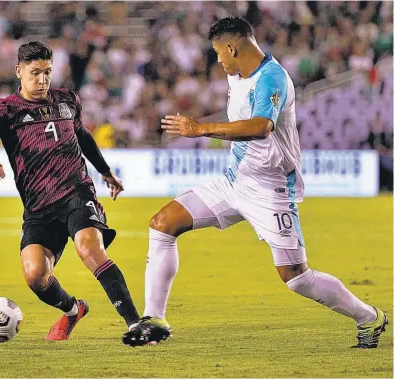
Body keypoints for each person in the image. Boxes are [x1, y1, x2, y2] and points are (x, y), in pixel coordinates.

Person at [122, 17, 388, 348]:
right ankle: (154, 319)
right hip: (234, 182)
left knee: (297, 278)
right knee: (163, 223)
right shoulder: (239, 76)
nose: (218, 61)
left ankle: (370, 318)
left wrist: (201, 129)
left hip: (271, 190)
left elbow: (262, 126)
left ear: (233, 48)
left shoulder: (272, 78)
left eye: (219, 53)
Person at [0, 41, 140, 341]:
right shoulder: (5, 109)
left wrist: (106, 173)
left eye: (47, 72)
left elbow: (83, 138)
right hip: (39, 208)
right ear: (19, 71)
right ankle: (74, 310)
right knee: (35, 275)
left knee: (90, 249)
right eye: (35, 73)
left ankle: (136, 324)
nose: (43, 79)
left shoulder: (67, 100)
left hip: (77, 193)